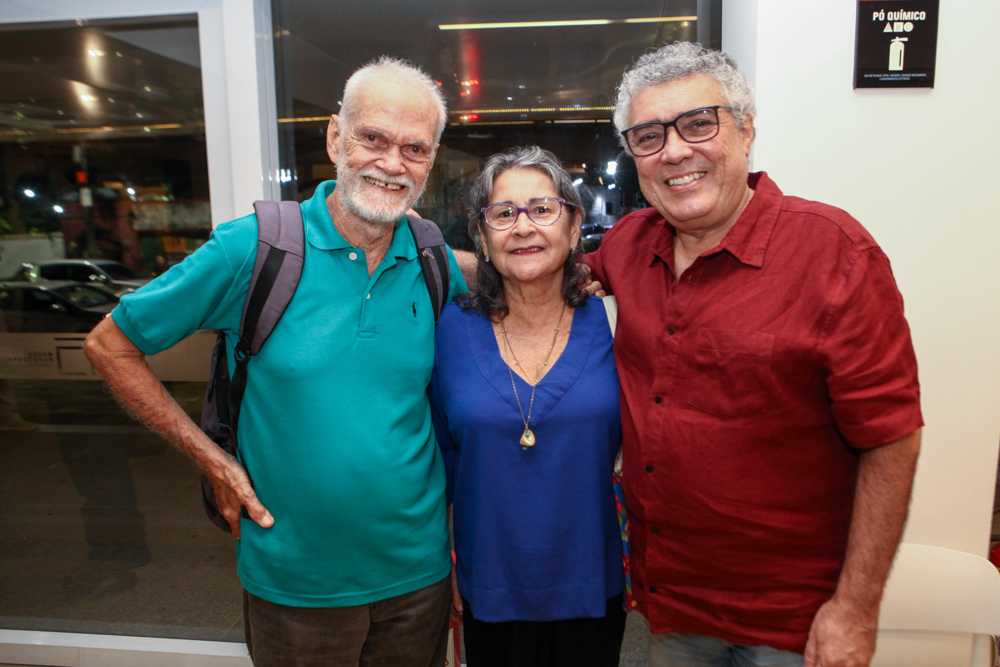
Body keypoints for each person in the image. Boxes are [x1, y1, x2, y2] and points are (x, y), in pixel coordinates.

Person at [83, 57, 466, 667]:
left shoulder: (432, 258)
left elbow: (509, 279)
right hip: (295, 584)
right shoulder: (255, 250)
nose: (393, 163)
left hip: (418, 579)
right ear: (335, 136)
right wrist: (212, 460)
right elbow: (110, 344)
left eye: (414, 149)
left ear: (431, 161)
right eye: (373, 138)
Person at [584, 42, 922, 667]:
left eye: (699, 122)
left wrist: (856, 607)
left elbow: (890, 439)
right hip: (671, 606)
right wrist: (426, 254)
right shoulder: (629, 245)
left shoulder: (835, 255)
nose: (676, 151)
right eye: (649, 136)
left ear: (746, 131)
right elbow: (542, 274)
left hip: (790, 623)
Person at [430, 146, 627, 667]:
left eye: (542, 209)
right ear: (482, 235)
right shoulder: (449, 329)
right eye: (503, 213)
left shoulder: (616, 322)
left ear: (574, 223)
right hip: (489, 582)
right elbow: (441, 463)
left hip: (592, 581)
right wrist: (443, 561)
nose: (523, 228)